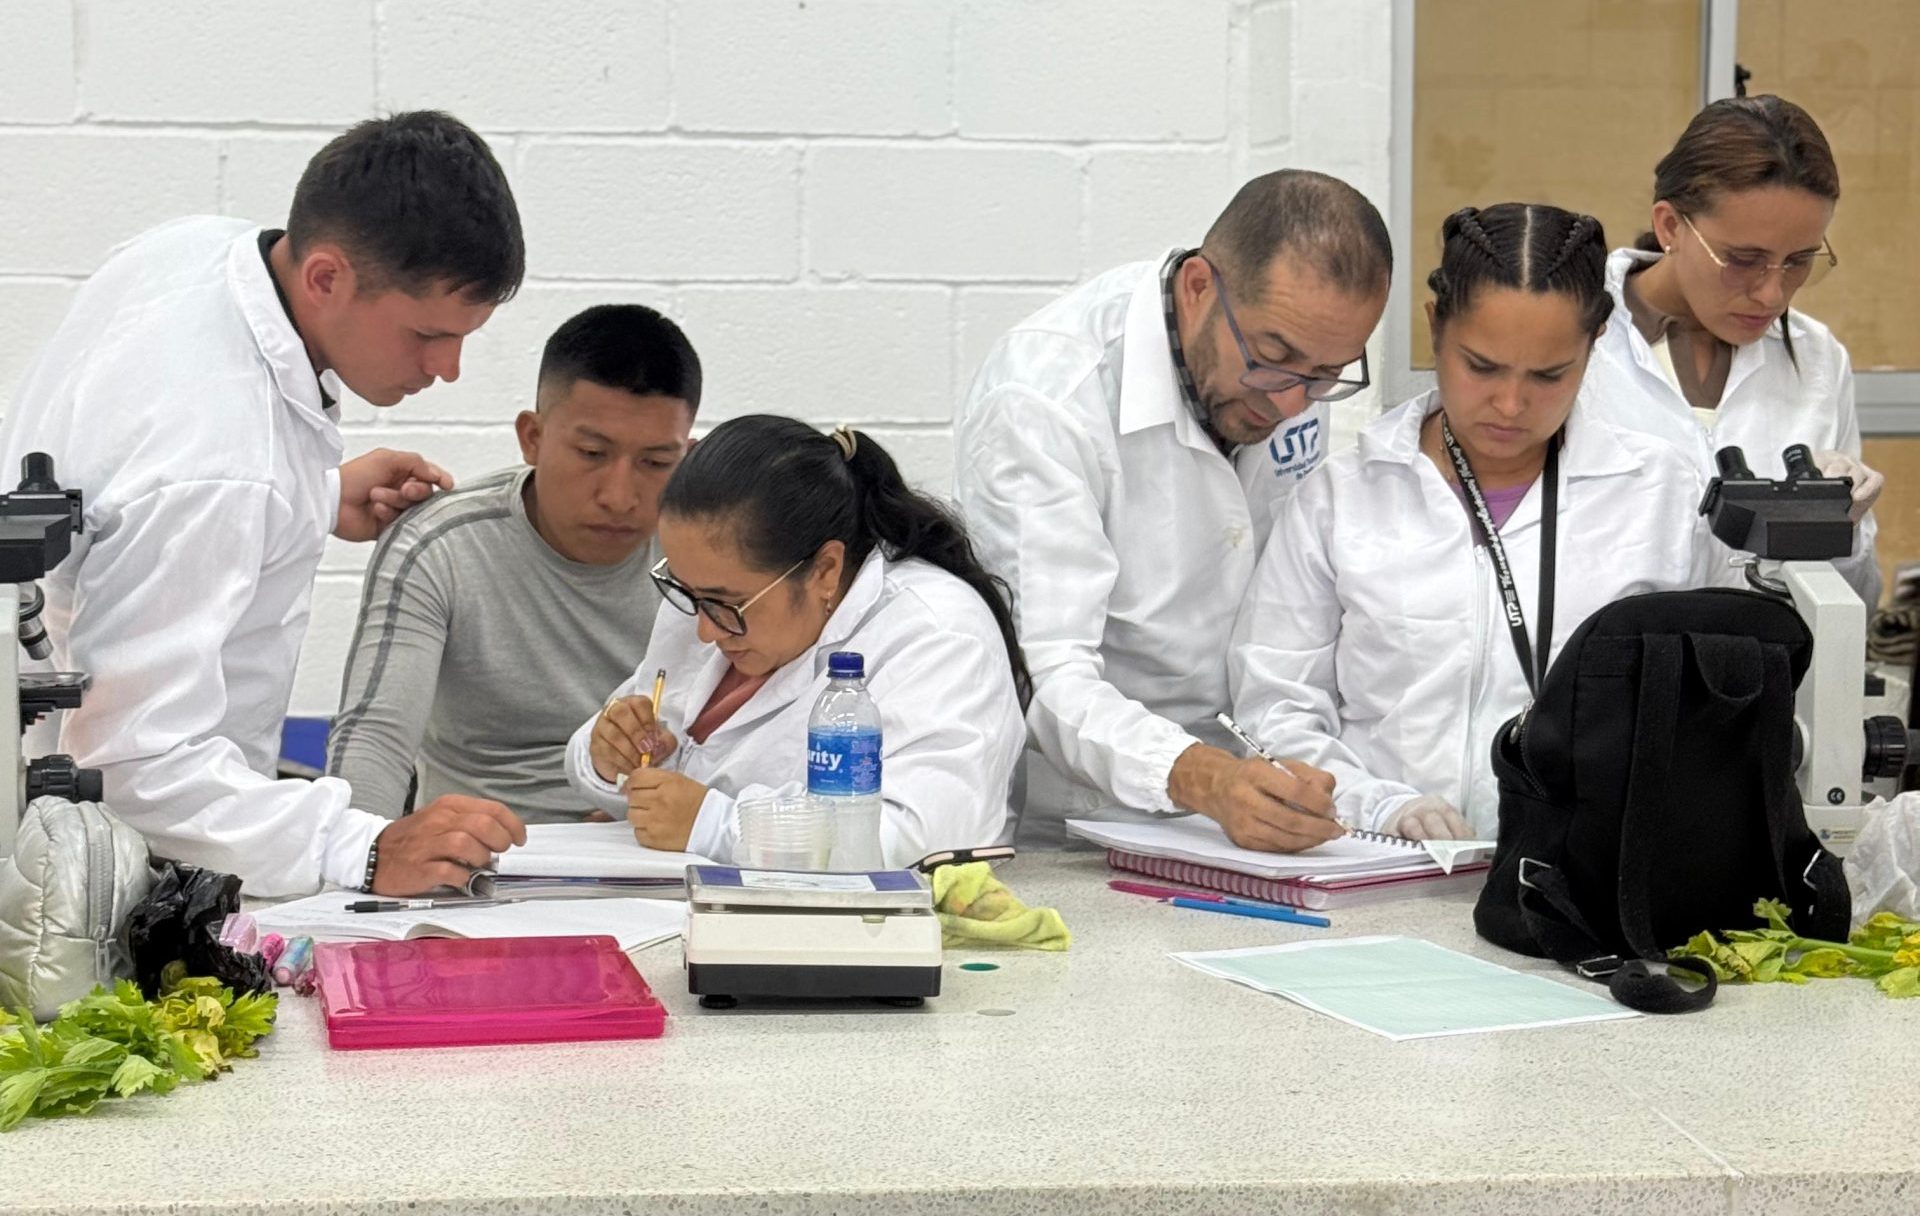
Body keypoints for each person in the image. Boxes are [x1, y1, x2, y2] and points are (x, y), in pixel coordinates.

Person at [0, 111, 530, 897]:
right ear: (326, 278)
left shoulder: (191, 249)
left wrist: (311, 496)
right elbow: (131, 767)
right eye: (427, 334)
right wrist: (365, 848)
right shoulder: (218, 463)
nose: (447, 367)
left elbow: (124, 487)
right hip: (96, 860)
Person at [1231, 203, 1742, 841]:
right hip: (1380, 864)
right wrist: (1376, 805)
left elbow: (1715, 712)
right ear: (1435, 327)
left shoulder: (1662, 498)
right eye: (1481, 366)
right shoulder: (1343, 497)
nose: (1510, 404)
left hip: (1583, 871)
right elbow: (1274, 705)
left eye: (1548, 375)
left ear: (1595, 345)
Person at [955, 169, 1390, 851]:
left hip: (1252, 810)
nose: (1291, 404)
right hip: (1084, 823)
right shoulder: (1043, 399)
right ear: (1197, 287)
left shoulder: (1294, 378)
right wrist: (1207, 779)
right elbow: (1048, 675)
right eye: (1272, 357)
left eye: (1327, 375)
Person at [565, 415, 1028, 868]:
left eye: (728, 604)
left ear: (825, 570)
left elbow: (919, 835)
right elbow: (644, 777)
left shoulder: (939, 634)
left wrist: (716, 825)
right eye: (687, 592)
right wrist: (608, 754)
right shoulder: (709, 598)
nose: (704, 630)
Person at [329, 304, 700, 822]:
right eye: (591, 453)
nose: (619, 497)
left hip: (651, 847)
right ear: (533, 438)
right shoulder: (440, 546)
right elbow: (375, 739)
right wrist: (364, 857)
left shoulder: (709, 550)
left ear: (688, 458)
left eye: (656, 463)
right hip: (480, 853)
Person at [1588, 94, 1881, 607]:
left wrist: (1844, 532)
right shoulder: (1578, 344)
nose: (1772, 294)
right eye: (1744, 259)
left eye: (1799, 260)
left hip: (1766, 658)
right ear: (1671, 226)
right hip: (1607, 657)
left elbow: (1856, 602)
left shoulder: (1817, 361)